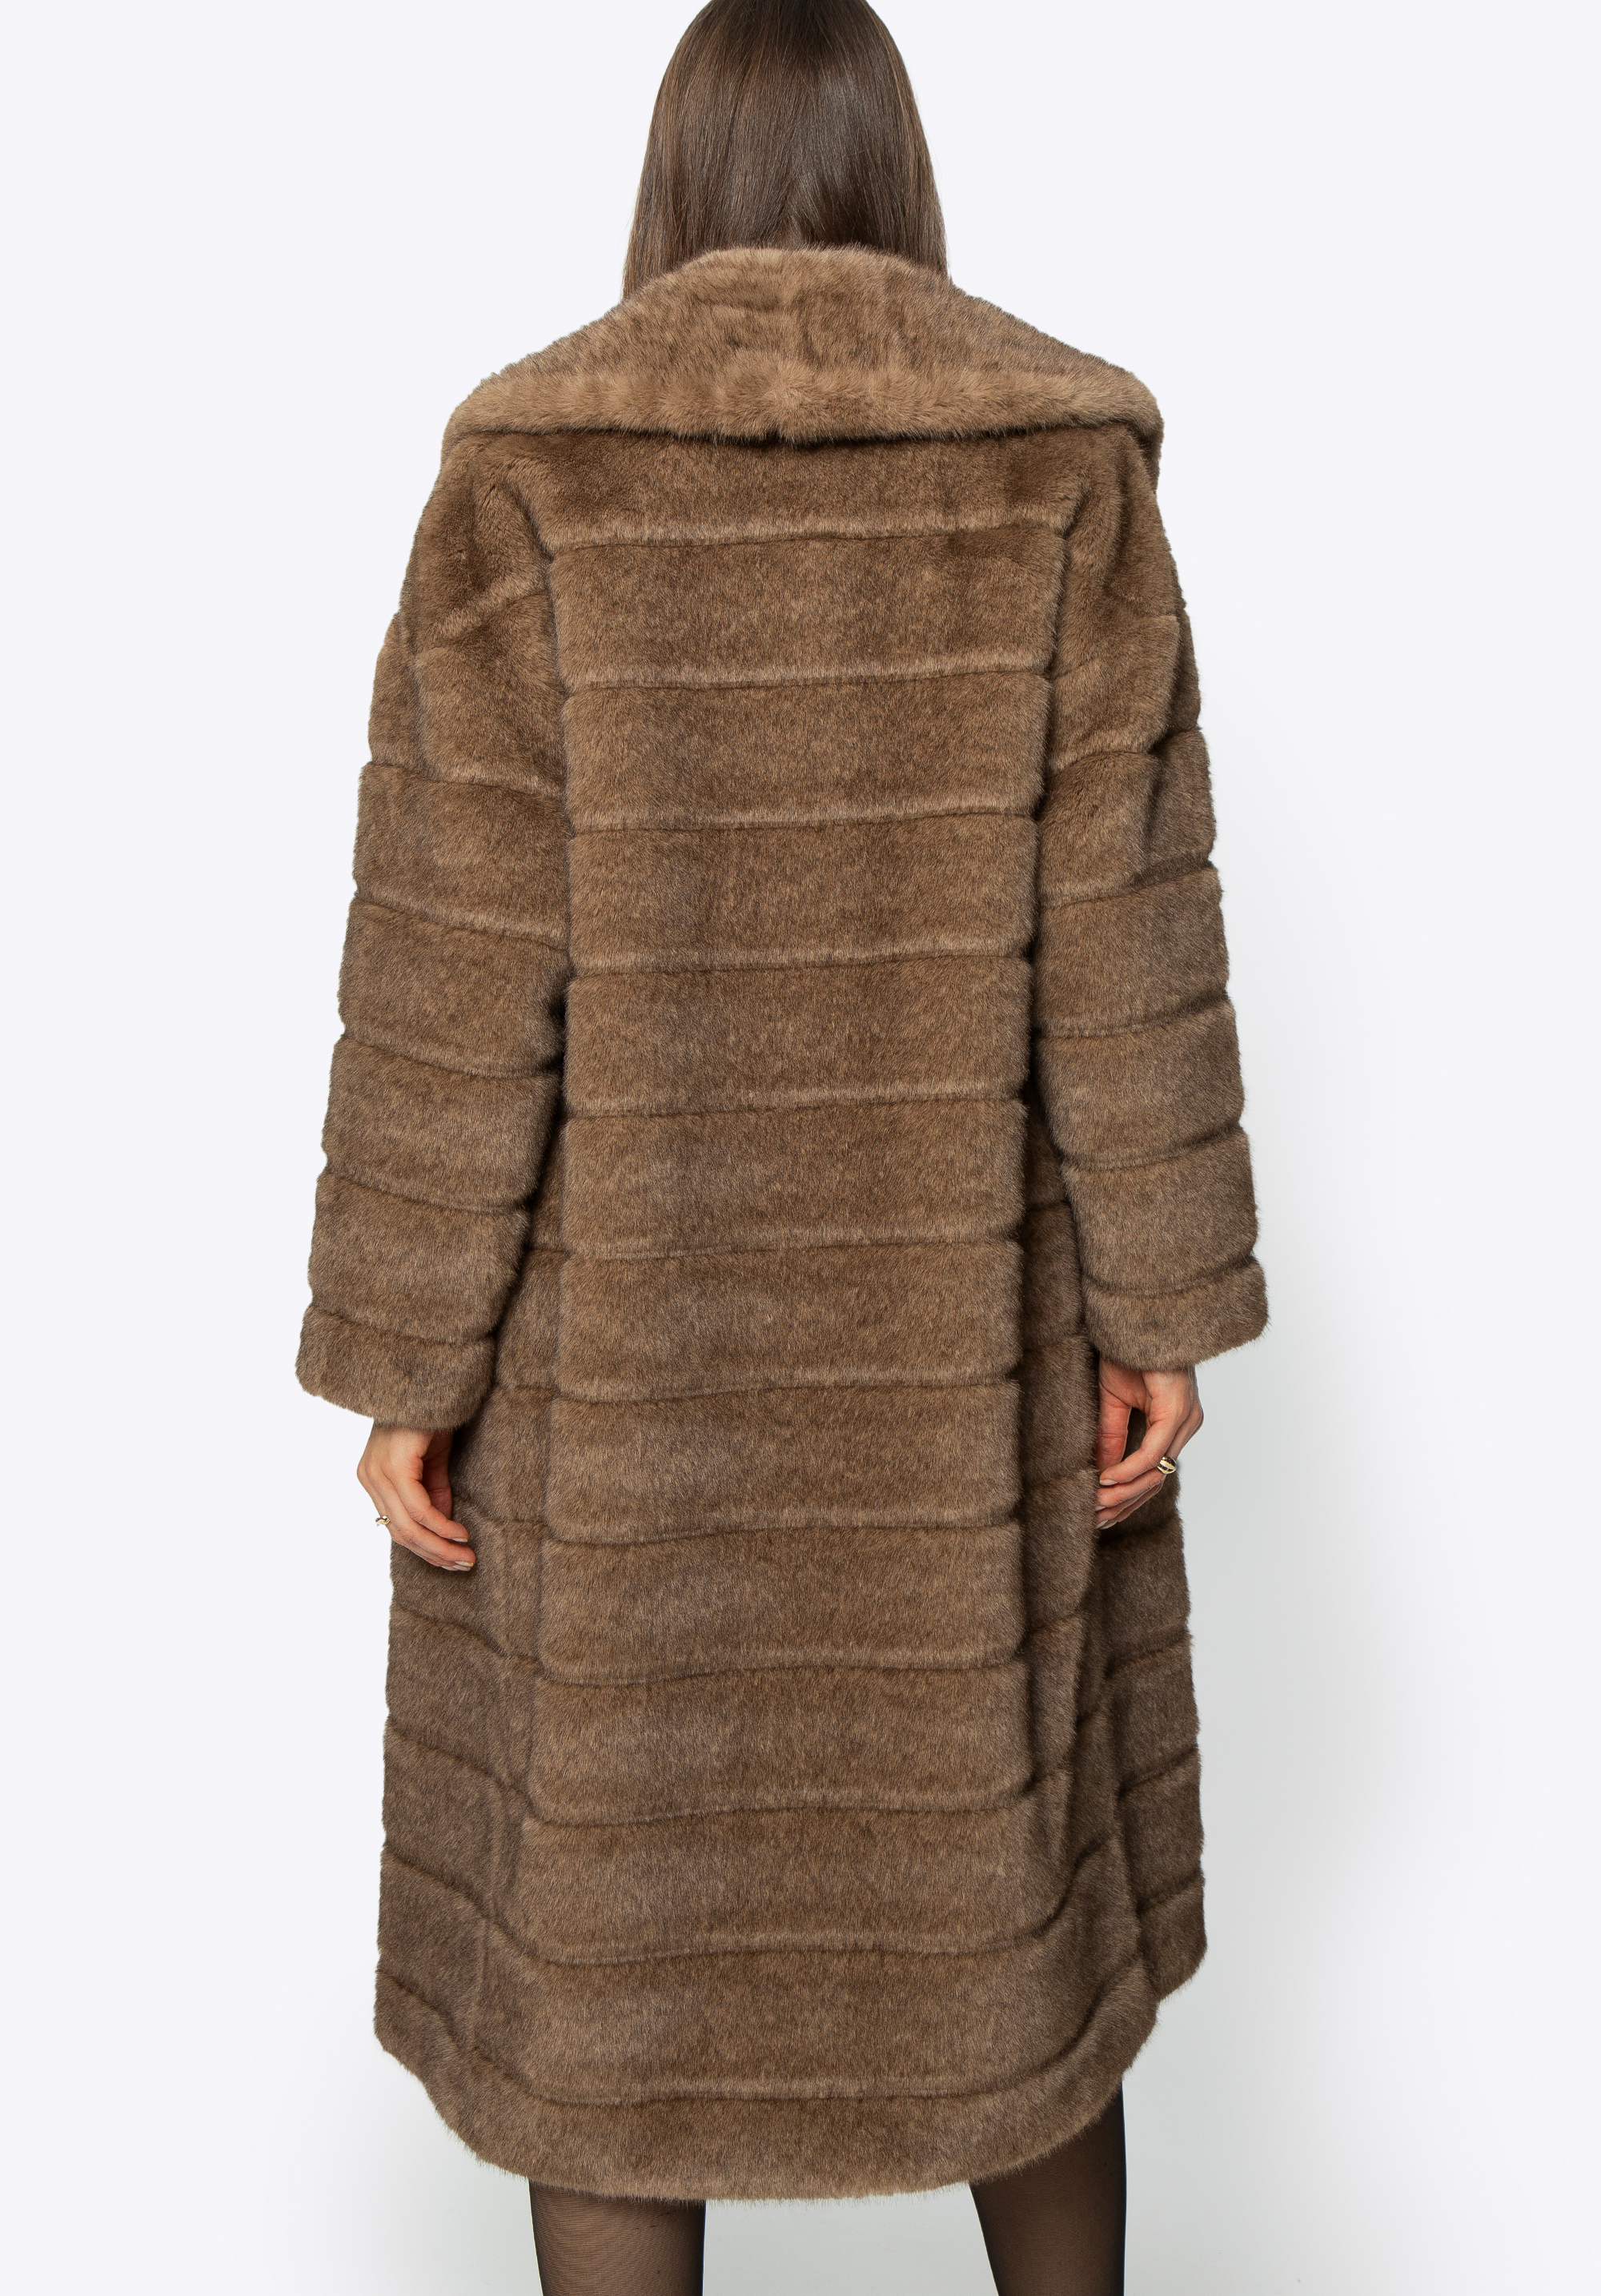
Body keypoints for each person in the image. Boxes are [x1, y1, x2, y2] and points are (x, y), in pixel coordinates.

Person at [295, 2, 1267, 2287]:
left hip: (623, 1399)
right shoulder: (1059, 480)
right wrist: (1157, 1311)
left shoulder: (533, 484)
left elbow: (454, 960)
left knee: (609, 1999)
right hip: (962, 1375)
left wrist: (409, 1360)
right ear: (900, 175)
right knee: (1013, 1953)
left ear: (673, 185)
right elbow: (1126, 928)